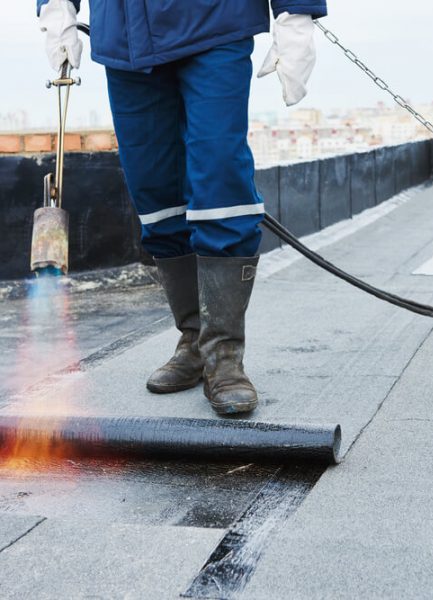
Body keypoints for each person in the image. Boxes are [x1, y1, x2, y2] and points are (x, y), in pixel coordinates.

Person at [38, 0, 327, 414]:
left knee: (220, 180)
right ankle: (194, 340)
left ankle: (223, 357)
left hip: (213, 22)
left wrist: (295, 15)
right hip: (125, 40)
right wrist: (55, 8)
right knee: (155, 193)